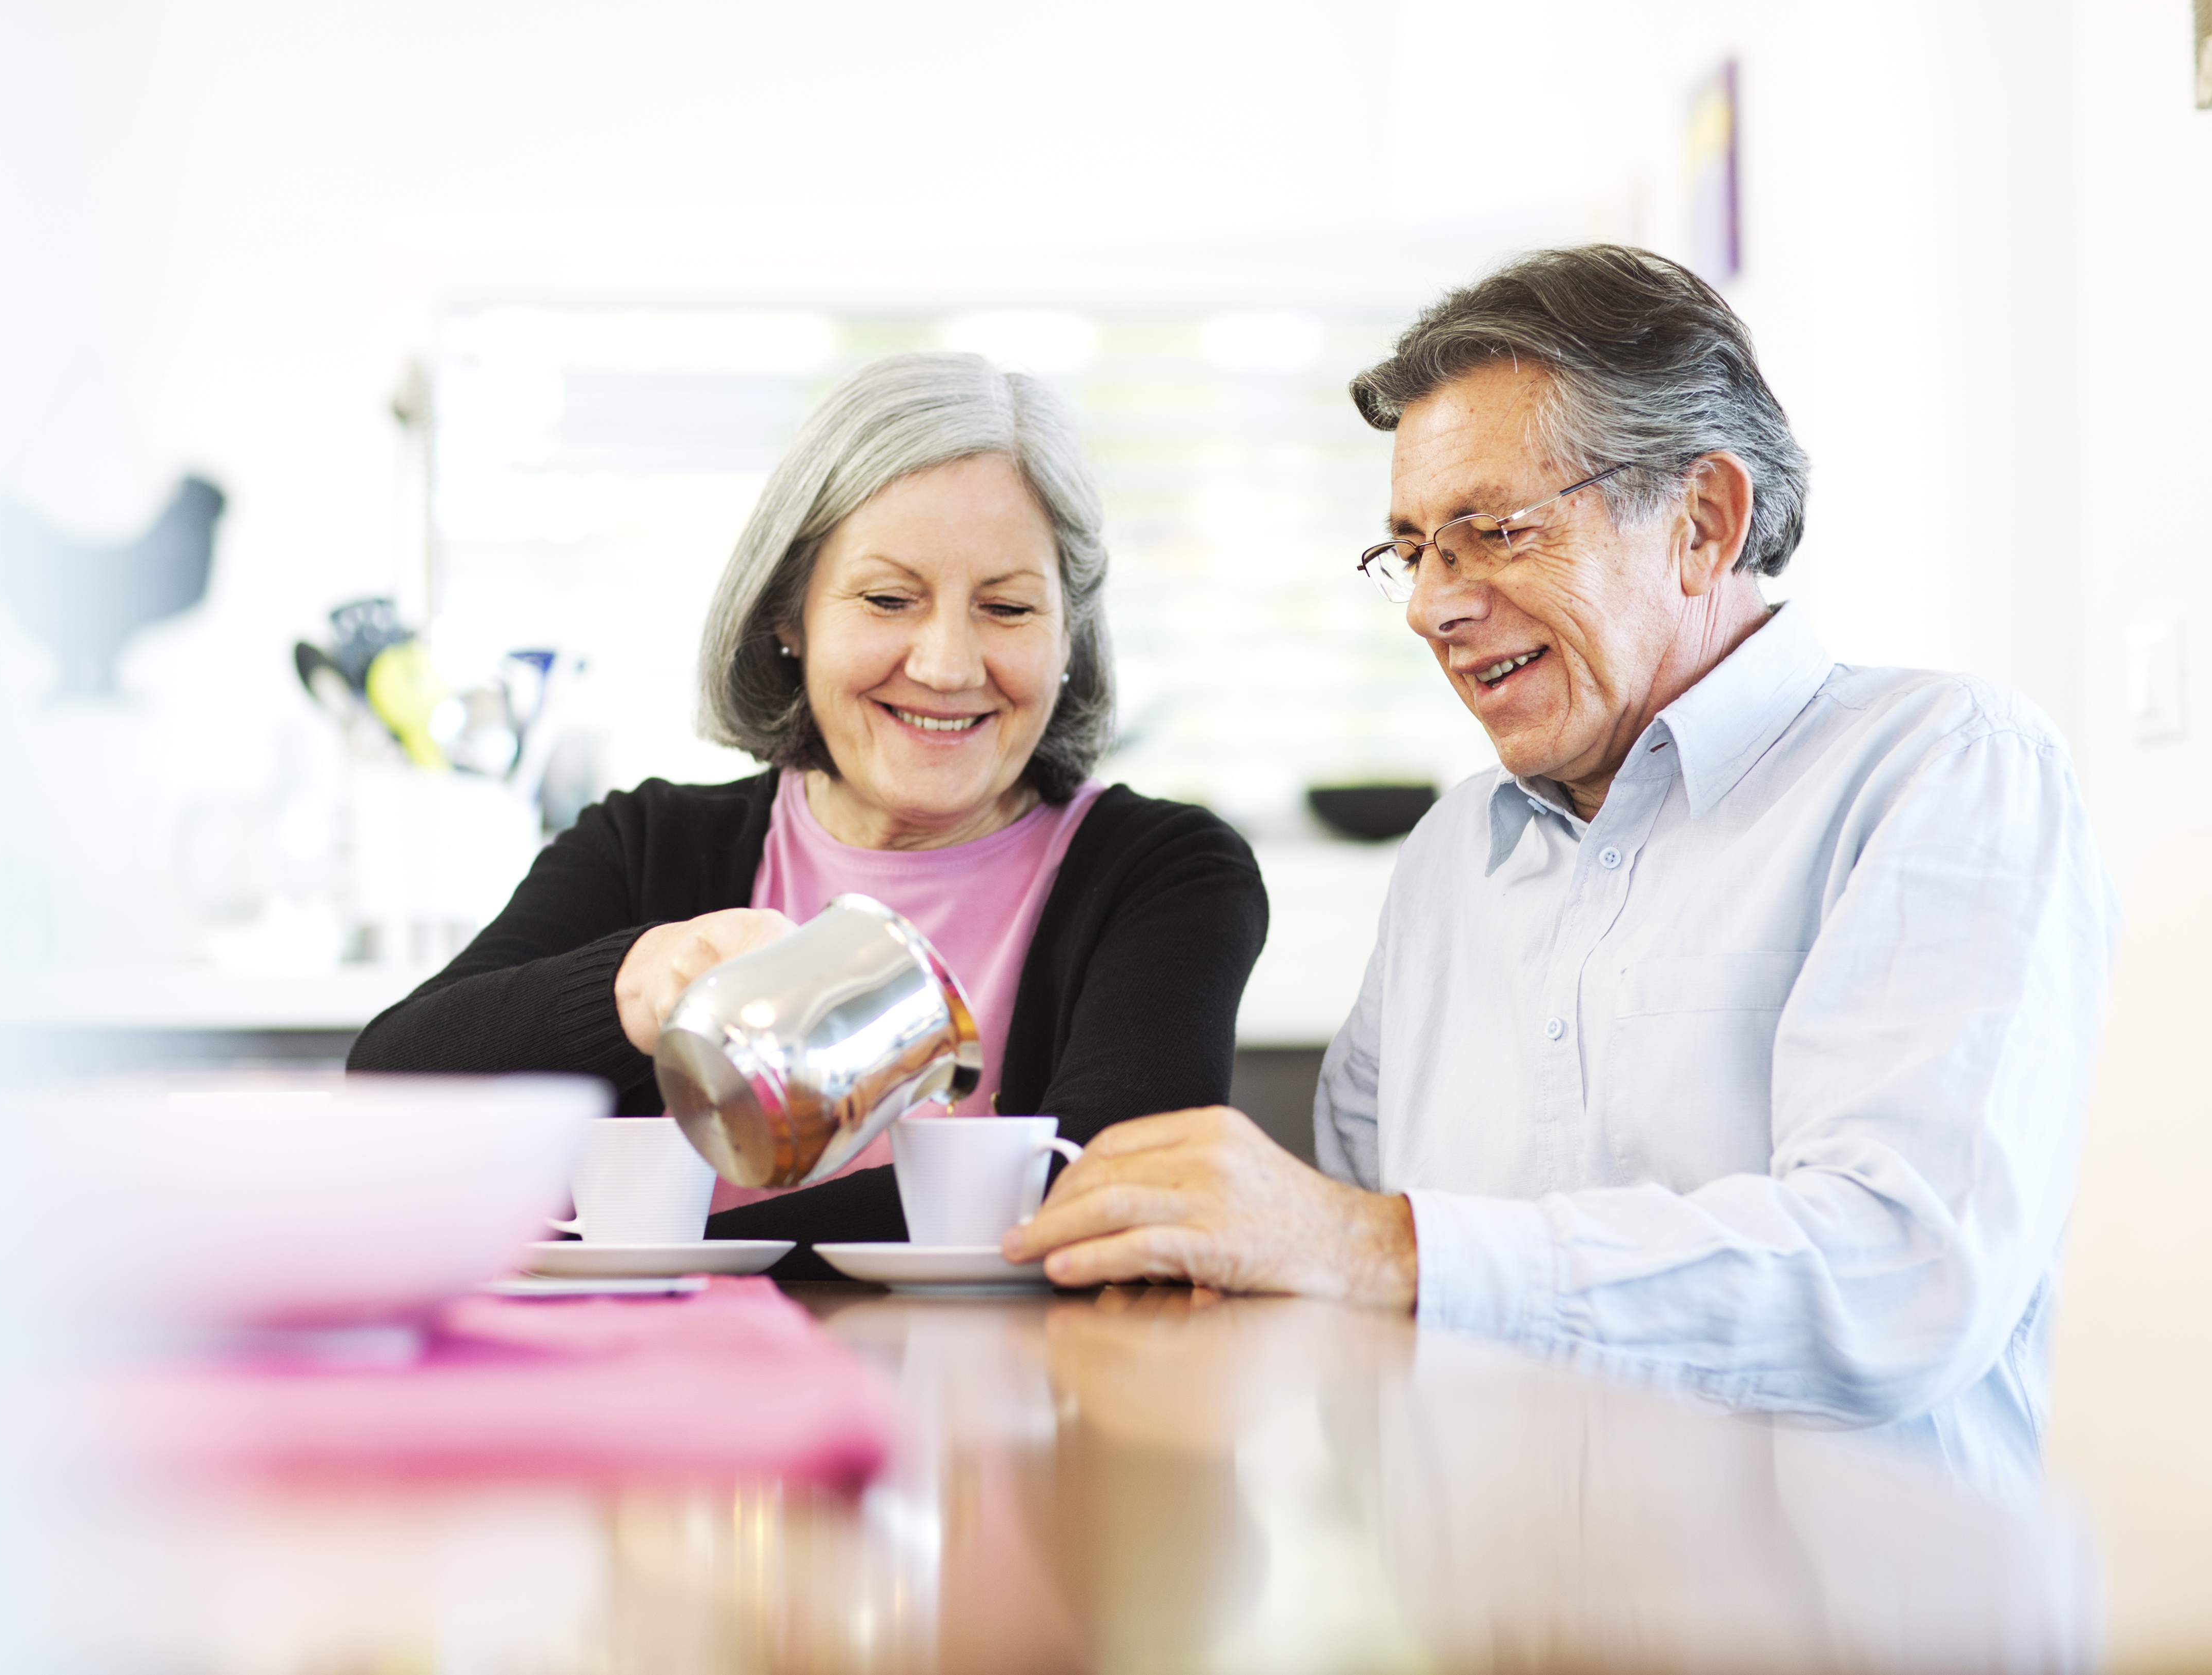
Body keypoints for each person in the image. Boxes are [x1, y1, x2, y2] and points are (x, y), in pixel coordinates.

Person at [1005, 246, 2118, 1493]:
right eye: (1413, 551)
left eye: (1489, 533)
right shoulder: (1447, 862)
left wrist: (1392, 1252)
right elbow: (1358, 1304)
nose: (1433, 605)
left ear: (1702, 521)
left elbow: (1896, 1276)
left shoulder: (1942, 771)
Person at [349, 352, 1268, 1275]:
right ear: (790, 616)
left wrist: (674, 1250)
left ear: (1069, 632)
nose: (948, 664)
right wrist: (634, 986)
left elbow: (1109, 1197)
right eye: (887, 598)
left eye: (1008, 606)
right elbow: (390, 1093)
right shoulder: (648, 847)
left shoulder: (1167, 875)